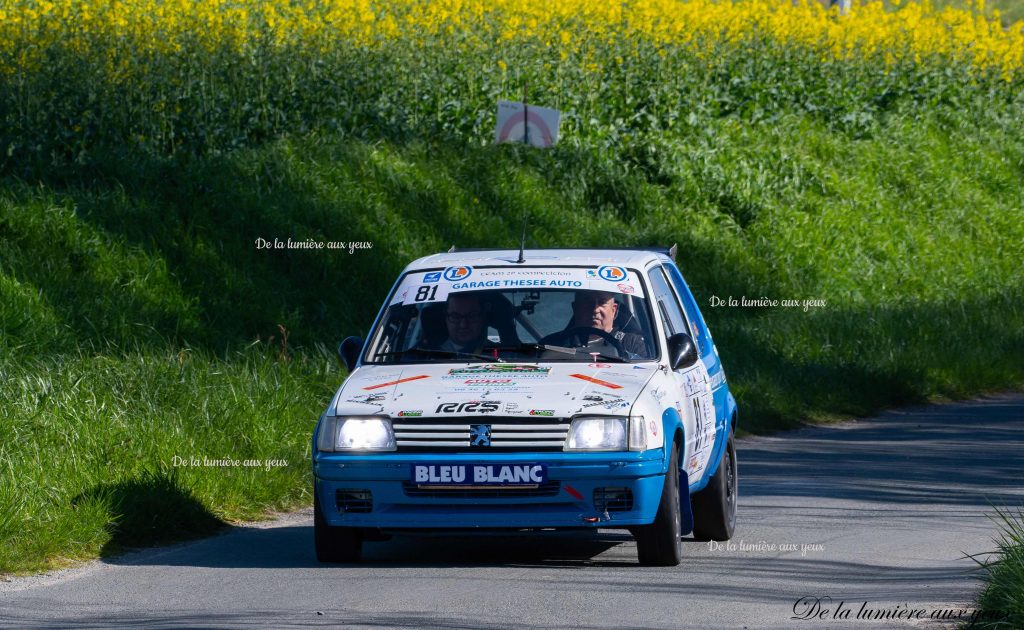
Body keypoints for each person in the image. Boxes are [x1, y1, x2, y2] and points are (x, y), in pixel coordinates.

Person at [545, 290, 646, 357]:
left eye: (602, 302)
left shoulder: (633, 345)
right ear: (575, 308)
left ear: (613, 310)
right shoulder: (551, 345)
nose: (595, 309)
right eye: (588, 302)